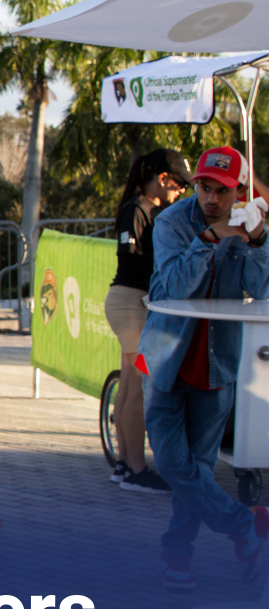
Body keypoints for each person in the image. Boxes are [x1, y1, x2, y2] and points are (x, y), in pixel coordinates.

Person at [140, 146, 269, 591]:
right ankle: (244, 525)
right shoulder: (172, 222)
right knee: (176, 465)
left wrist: (256, 242)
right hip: (165, 355)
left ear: (239, 192)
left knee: (198, 469)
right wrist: (210, 239)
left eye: (223, 191)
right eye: (205, 187)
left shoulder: (245, 222)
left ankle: (178, 555)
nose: (212, 199)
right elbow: (172, 287)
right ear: (194, 184)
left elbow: (261, 288)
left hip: (218, 363)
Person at [104, 149, 189, 491]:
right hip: (132, 301)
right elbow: (131, 258)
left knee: (129, 385)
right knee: (137, 387)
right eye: (179, 184)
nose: (180, 192)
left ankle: (125, 465)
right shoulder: (138, 209)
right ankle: (136, 469)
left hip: (131, 301)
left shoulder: (147, 210)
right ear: (163, 178)